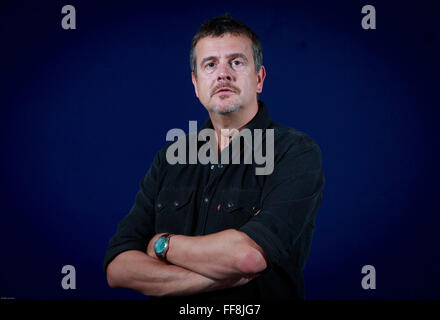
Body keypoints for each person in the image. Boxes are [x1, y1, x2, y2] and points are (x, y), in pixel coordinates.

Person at [103, 14, 324, 300]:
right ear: (196, 85)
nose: (223, 74)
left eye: (236, 62)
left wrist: (162, 244)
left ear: (258, 78)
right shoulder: (170, 159)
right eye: (210, 64)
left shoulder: (295, 152)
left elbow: (246, 258)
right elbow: (118, 268)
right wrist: (217, 277)